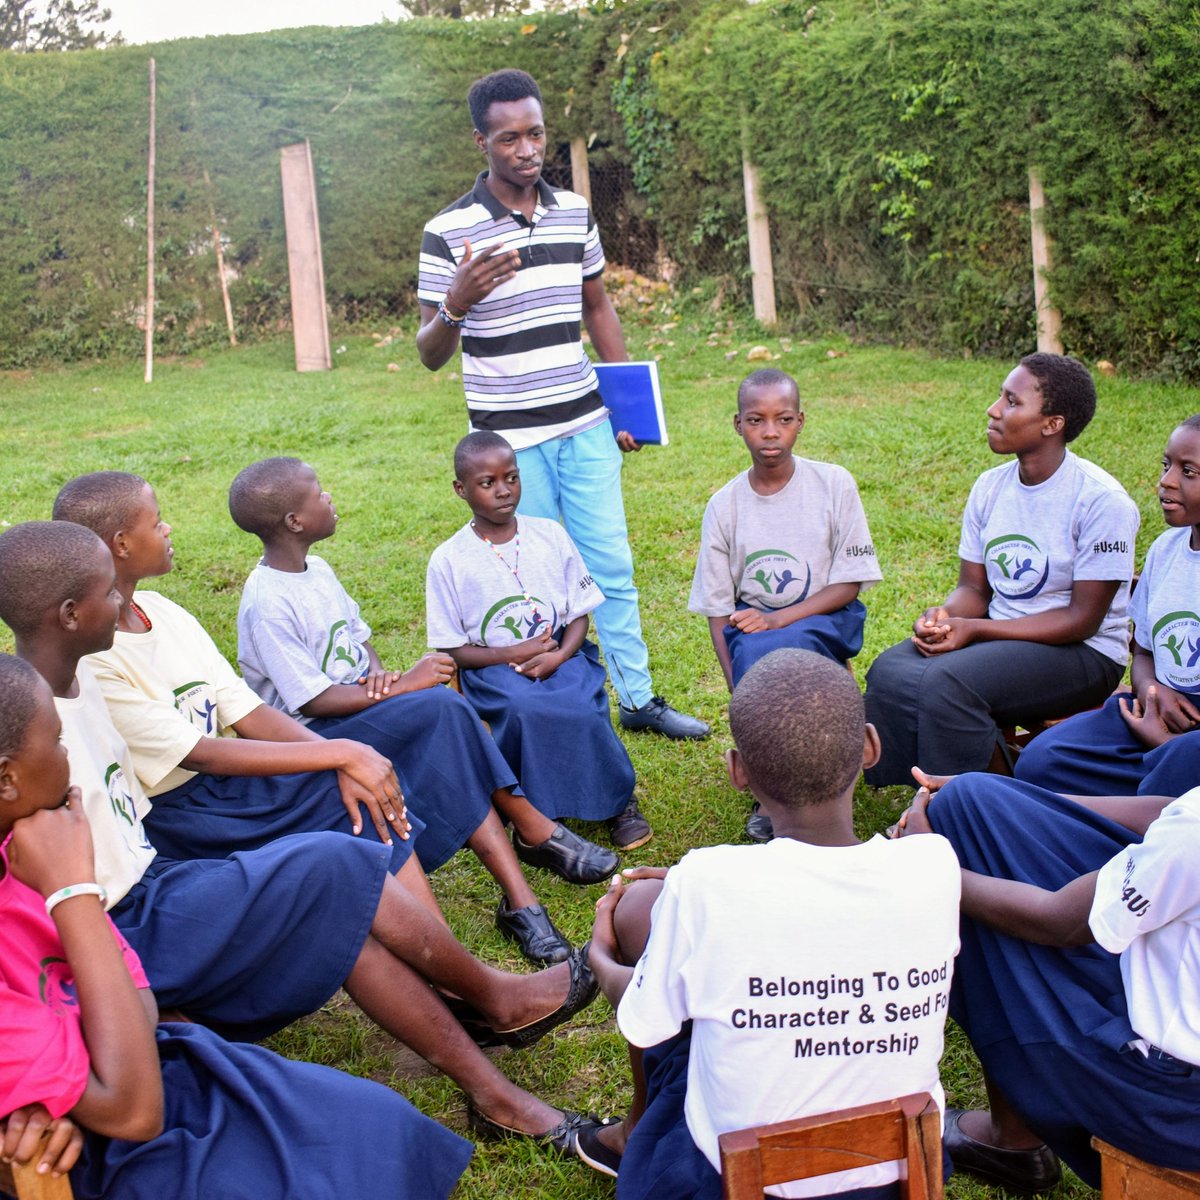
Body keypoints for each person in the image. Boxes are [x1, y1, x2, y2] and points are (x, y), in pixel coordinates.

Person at [0, 518, 606, 1149]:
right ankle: (493, 999)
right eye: (109, 593)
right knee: (332, 865)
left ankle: (495, 1095)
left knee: (338, 909)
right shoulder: (29, 730)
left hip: (159, 880)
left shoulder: (77, 687)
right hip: (121, 924)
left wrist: (335, 758)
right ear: (71, 615)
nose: (123, 601)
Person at [0, 651, 476, 1199]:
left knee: (378, 1124)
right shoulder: (54, 873)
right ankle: (488, 1005)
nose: (66, 755)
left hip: (138, 1066)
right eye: (58, 742)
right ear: (8, 778)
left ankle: (484, 1008)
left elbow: (140, 1002)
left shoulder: (28, 857)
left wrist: (59, 1088)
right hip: (116, 1141)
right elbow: (135, 1112)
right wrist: (75, 893)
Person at [583, 650, 961, 1198]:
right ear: (870, 748)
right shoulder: (935, 865)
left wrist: (600, 957)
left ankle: (630, 1136)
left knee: (667, 991)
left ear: (738, 771)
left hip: (734, 1179)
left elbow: (645, 1021)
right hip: (894, 1169)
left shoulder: (705, 881)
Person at [415, 66, 708, 742]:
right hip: (510, 446)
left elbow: (597, 306)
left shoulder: (574, 211)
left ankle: (636, 697)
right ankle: (564, 703)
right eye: (509, 138)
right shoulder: (448, 231)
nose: (527, 150)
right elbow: (430, 351)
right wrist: (457, 302)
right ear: (480, 142)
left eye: (536, 134)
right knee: (539, 582)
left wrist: (627, 409)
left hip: (585, 425)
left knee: (611, 567)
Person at [229, 455, 615, 963]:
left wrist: (380, 676)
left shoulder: (315, 570)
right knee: (444, 710)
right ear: (295, 521)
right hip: (314, 736)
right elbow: (312, 700)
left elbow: (359, 644)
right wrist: (400, 688)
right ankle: (531, 840)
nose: (330, 498)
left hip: (357, 707)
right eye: (319, 493)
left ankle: (523, 896)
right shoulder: (267, 602)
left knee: (446, 721)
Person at [897, 771, 1200, 1190]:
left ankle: (1013, 1140)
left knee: (977, 885)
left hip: (1173, 1106)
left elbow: (1058, 922)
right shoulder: (1189, 829)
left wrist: (930, 864)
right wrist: (1021, 797)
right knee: (973, 802)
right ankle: (1012, 1139)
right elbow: (1170, 813)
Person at [864, 353, 1139, 784]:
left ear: (1052, 424)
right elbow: (973, 590)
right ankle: (917, 782)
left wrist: (976, 630)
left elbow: (1082, 620)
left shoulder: (1101, 501)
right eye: (1000, 397)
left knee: (947, 683)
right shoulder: (990, 487)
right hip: (1002, 635)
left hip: (1084, 654)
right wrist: (944, 616)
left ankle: (980, 796)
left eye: (1012, 402)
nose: (993, 410)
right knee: (890, 668)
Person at [427, 431, 647, 865]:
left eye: (511, 477)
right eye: (487, 482)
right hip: (493, 669)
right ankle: (542, 815)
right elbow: (452, 649)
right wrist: (512, 654)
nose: (503, 490)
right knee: (523, 709)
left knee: (580, 704)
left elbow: (579, 614)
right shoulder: (449, 559)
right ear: (461, 489)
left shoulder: (549, 534)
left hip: (561, 651)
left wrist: (559, 656)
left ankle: (616, 800)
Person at [688, 368, 881, 840]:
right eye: (756, 420)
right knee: (757, 657)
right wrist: (739, 691)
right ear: (738, 424)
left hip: (827, 616)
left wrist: (778, 620)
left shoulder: (833, 484)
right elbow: (718, 611)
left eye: (784, 419)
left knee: (779, 653)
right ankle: (776, 789)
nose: (770, 432)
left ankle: (826, 777)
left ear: (801, 421)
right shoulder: (724, 505)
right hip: (752, 627)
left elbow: (849, 585)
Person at [1016, 414, 1200, 797]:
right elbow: (1144, 652)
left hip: (1189, 741)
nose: (1167, 481)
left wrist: (1167, 745)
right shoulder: (1166, 550)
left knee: (1166, 781)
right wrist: (1151, 692)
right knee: (1041, 760)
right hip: (1154, 712)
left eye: (1189, 472)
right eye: (1166, 465)